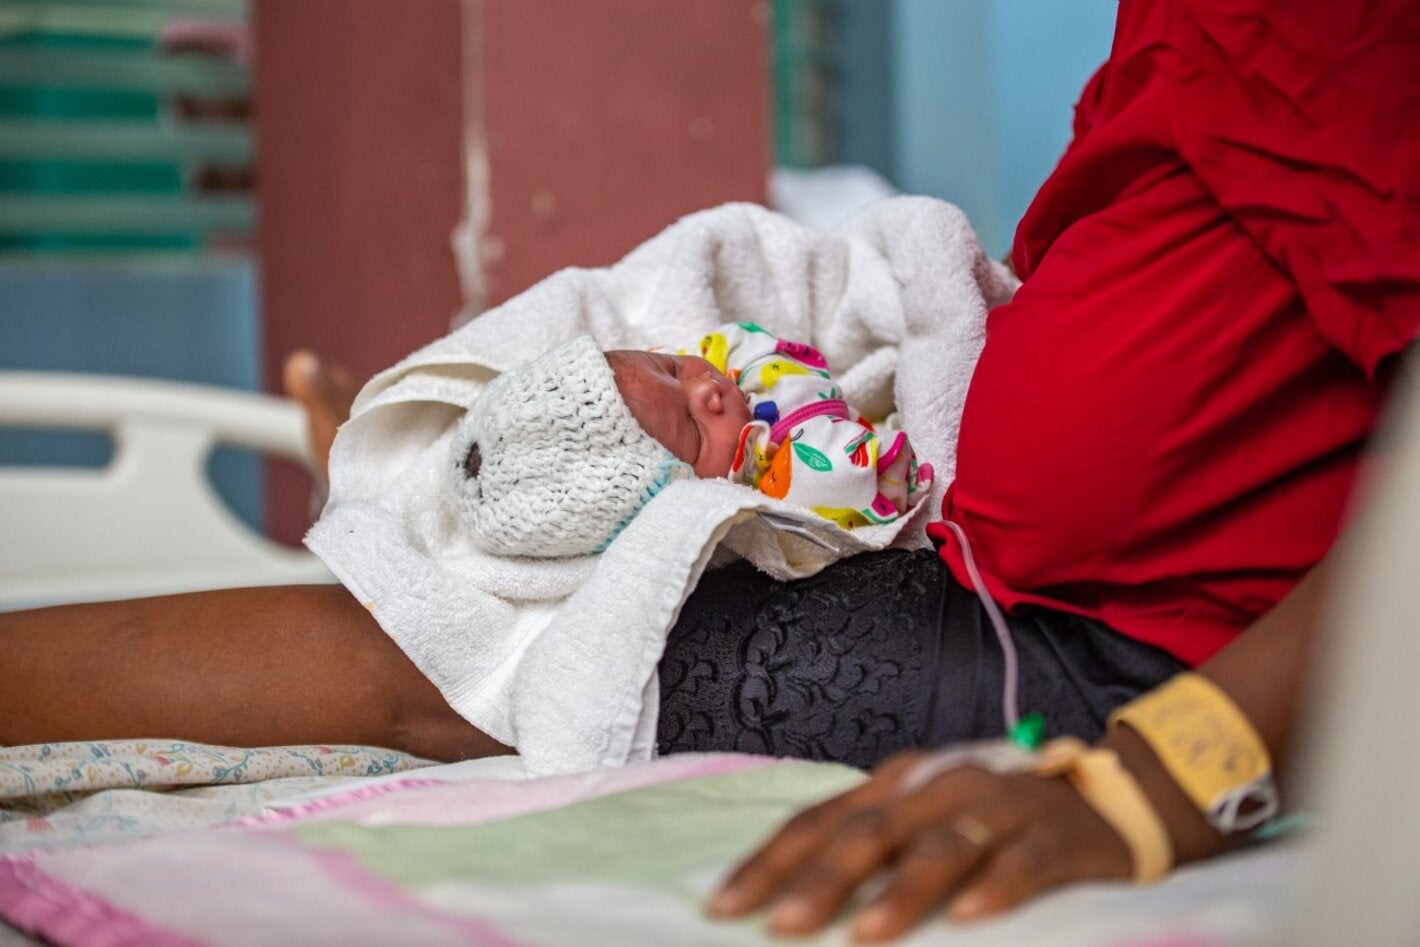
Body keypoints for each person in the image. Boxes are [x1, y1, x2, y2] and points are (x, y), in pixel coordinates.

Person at [1, 0, 1416, 941]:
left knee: (438, 651)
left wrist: (1164, 778)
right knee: (450, 576)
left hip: (1134, 652)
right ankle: (403, 460)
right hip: (1002, 546)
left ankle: (386, 468)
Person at [455, 324, 933, 558]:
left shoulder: (721, 363)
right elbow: (862, 481)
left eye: (671, 368)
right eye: (692, 424)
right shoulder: (776, 486)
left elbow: (746, 340)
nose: (707, 388)